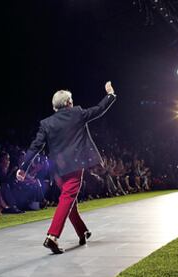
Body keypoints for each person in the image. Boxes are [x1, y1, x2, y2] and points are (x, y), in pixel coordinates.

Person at [17, 81, 116, 254]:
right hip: (75, 166)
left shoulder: (46, 123)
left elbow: (35, 146)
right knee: (67, 199)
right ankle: (52, 236)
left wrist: (23, 168)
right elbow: (99, 109)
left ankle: (82, 231)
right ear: (68, 103)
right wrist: (110, 95)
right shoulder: (77, 113)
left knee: (69, 200)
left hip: (57, 169)